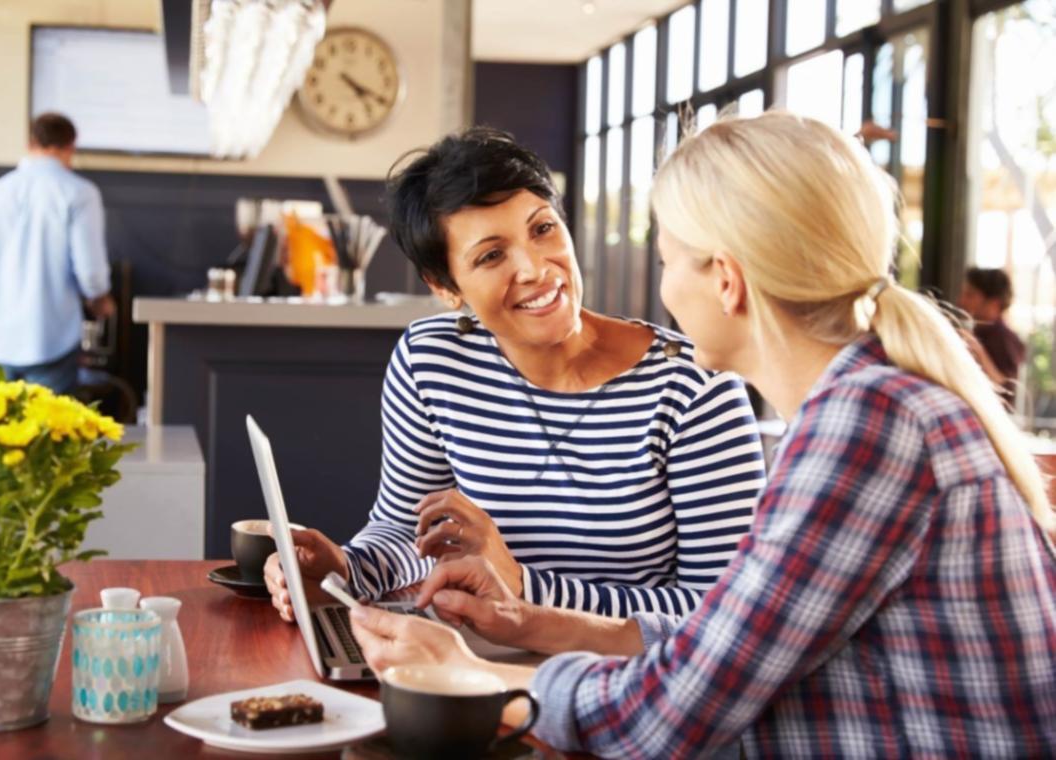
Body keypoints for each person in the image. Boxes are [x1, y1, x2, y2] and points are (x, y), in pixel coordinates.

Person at [350, 112, 1056, 757]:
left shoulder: (869, 431)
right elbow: (721, 637)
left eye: (666, 259)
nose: (660, 293)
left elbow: (662, 716)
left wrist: (471, 678)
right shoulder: (864, 406)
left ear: (726, 281)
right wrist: (526, 621)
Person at [264, 128, 766, 639]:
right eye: (490, 256)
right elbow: (405, 531)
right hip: (468, 661)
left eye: (543, 228)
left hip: (631, 682)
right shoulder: (432, 359)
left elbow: (723, 613)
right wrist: (347, 570)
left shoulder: (694, 390)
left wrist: (523, 586)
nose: (534, 269)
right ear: (444, 287)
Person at [0, 112, 114, 394]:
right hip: (52, 340)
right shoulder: (79, 193)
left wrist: (0, 290)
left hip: (1, 342)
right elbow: (90, 272)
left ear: (31, 143)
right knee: (46, 434)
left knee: (1, 433)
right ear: (70, 147)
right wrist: (99, 300)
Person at [958, 266, 1025, 406]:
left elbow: (1008, 392)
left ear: (994, 303)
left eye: (970, 295)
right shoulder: (977, 331)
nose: (962, 301)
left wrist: (979, 352)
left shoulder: (1004, 338)